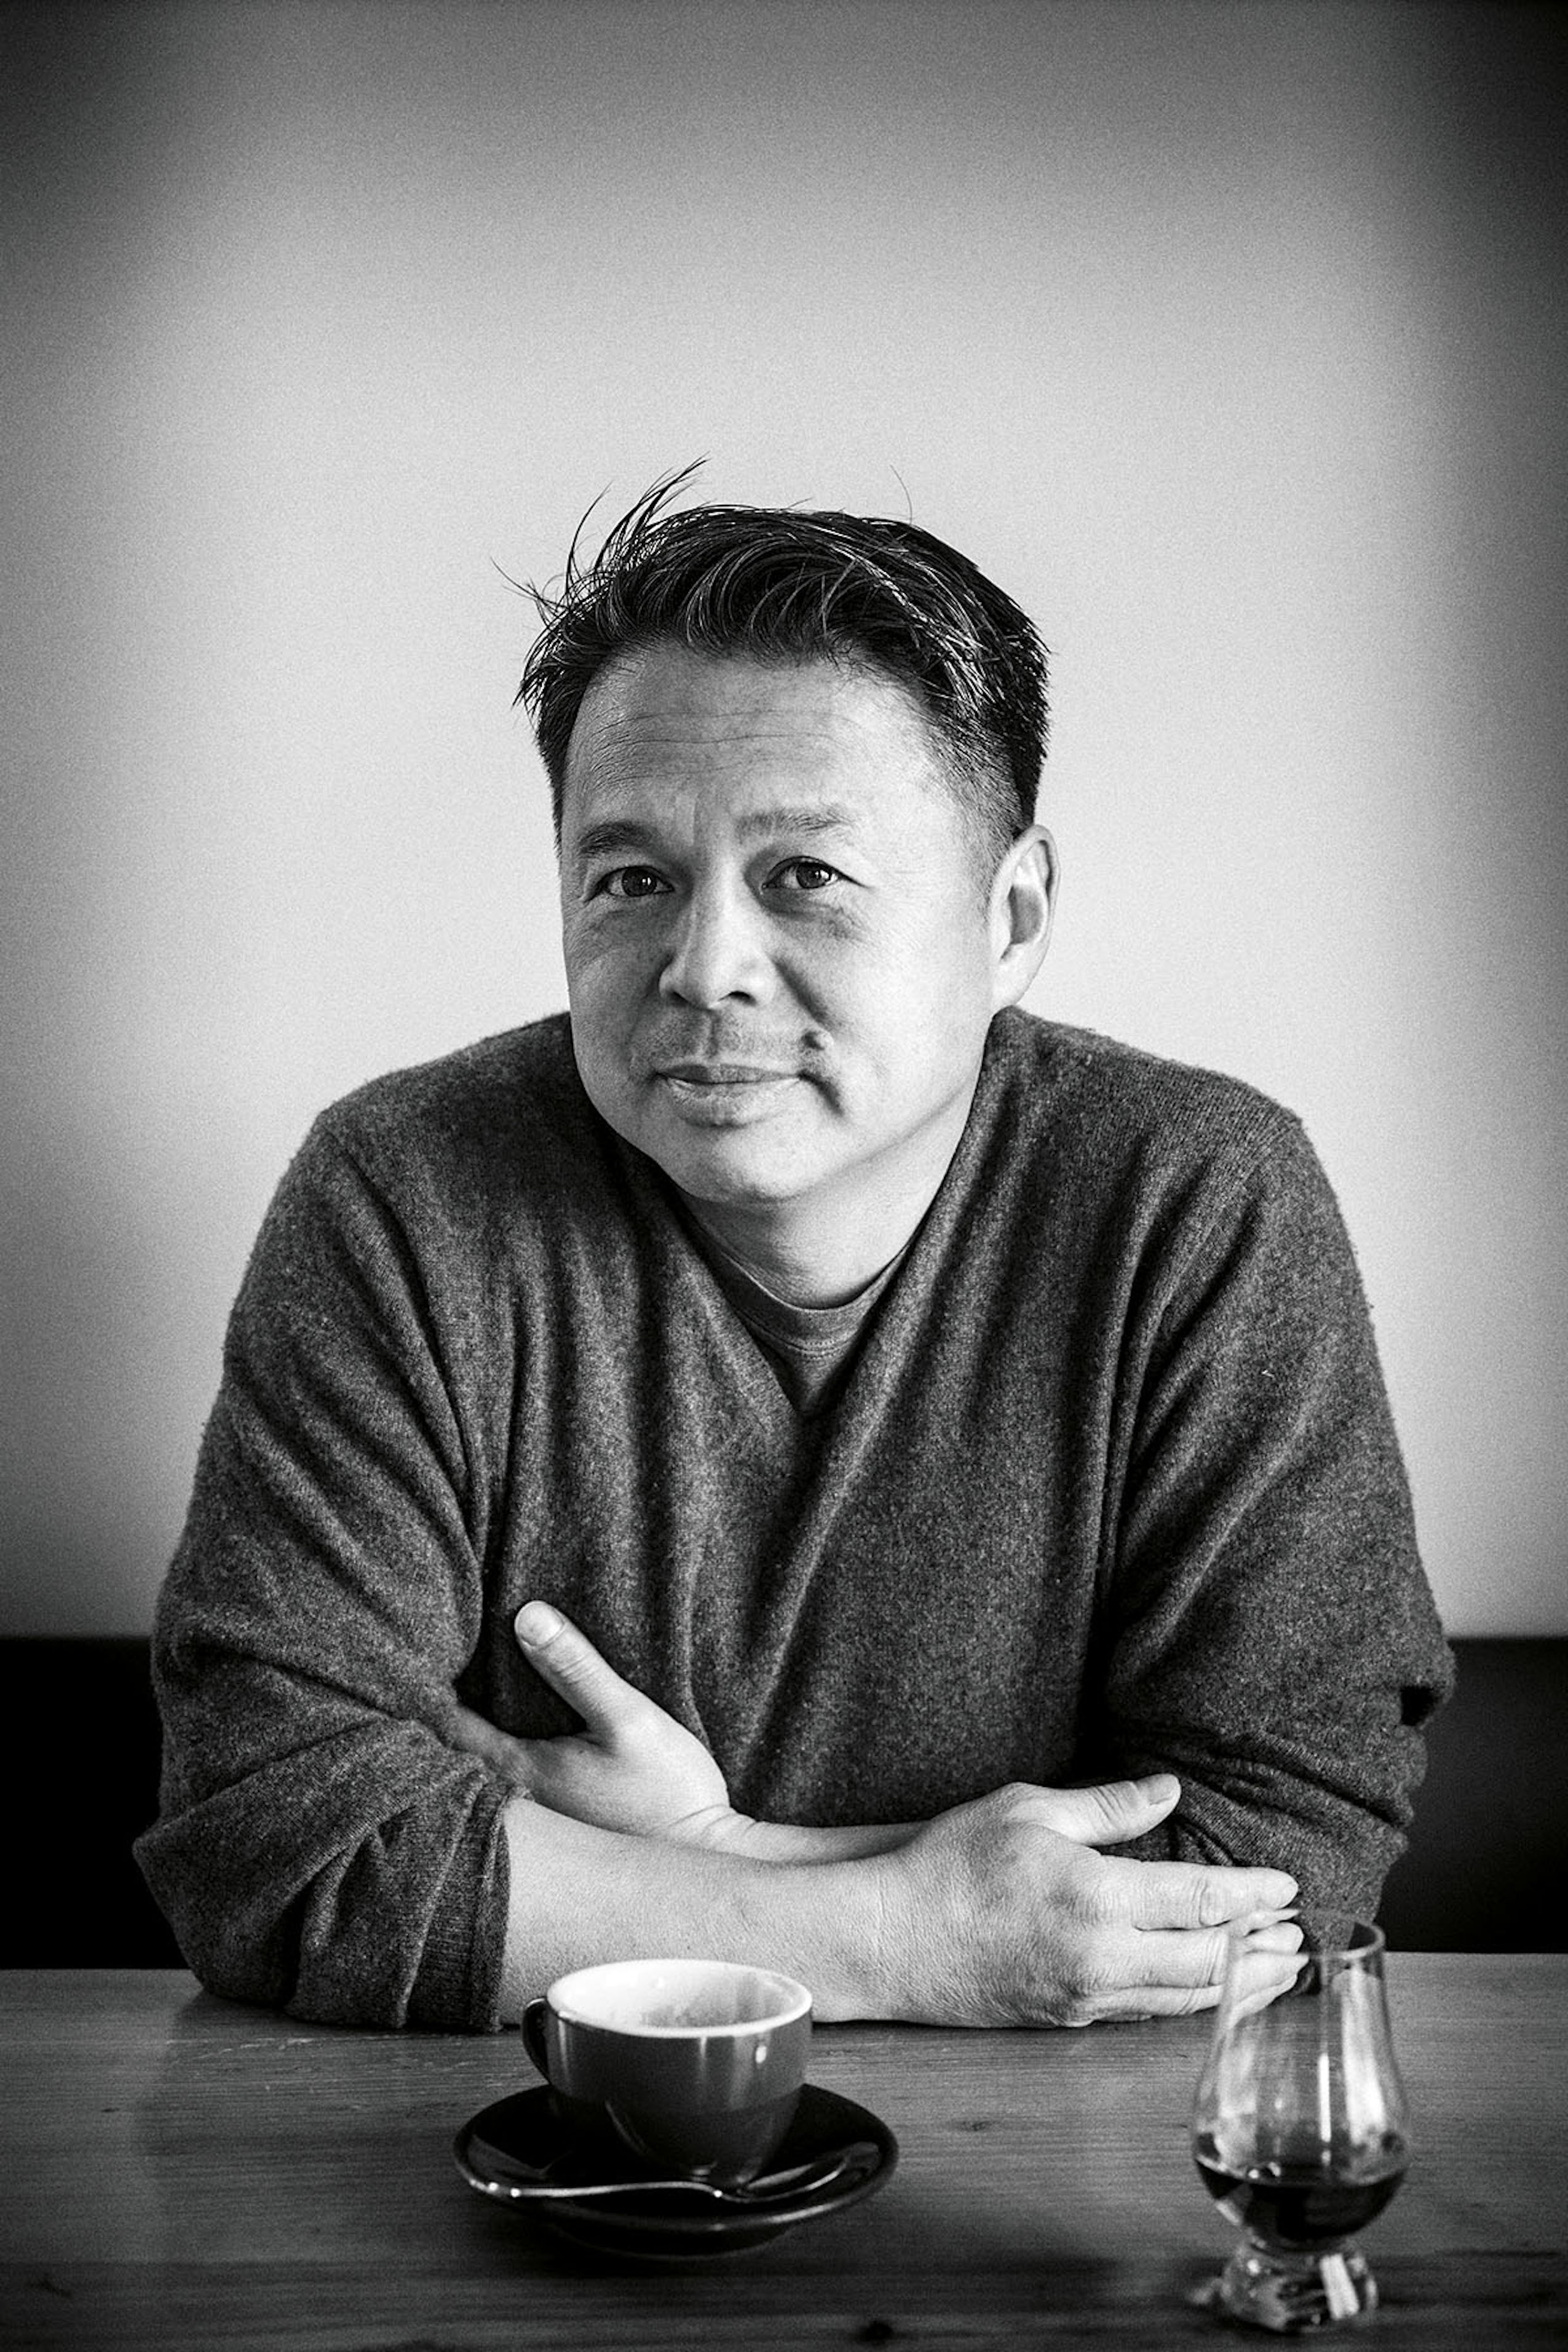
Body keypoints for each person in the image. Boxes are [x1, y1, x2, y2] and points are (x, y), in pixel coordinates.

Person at [137, 478, 1452, 2033]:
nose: (702, 969)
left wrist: (712, 1858)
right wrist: (900, 1932)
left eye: (803, 877)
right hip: (525, 2168)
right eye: (631, 878)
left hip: (1071, 2182)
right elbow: (273, 1843)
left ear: (1012, 912)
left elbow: (1284, 1854)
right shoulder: (407, 1195)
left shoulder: (1198, 1202)